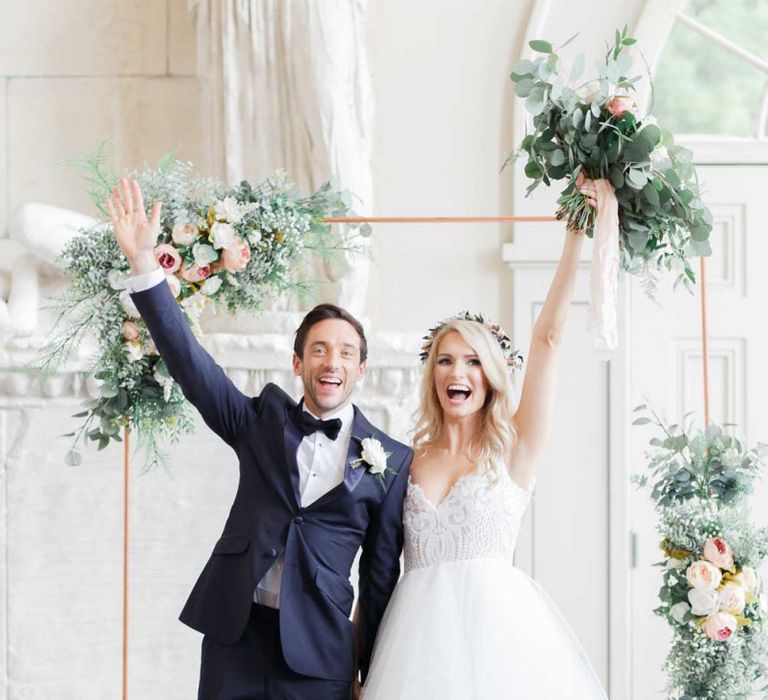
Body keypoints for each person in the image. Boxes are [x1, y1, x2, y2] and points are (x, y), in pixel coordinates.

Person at [107, 178, 412, 700]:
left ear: (361, 369)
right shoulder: (261, 422)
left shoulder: (393, 463)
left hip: (320, 657)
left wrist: (371, 672)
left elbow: (380, 581)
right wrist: (144, 267)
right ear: (298, 363)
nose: (331, 361)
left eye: (344, 352)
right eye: (318, 350)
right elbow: (192, 367)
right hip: (235, 640)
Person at [362, 176, 610, 699]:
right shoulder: (407, 462)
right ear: (433, 375)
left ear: (491, 374)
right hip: (412, 653)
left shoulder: (516, 448)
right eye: (447, 360)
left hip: (501, 643)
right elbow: (379, 567)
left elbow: (549, 338)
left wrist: (575, 237)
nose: (460, 372)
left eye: (474, 361)